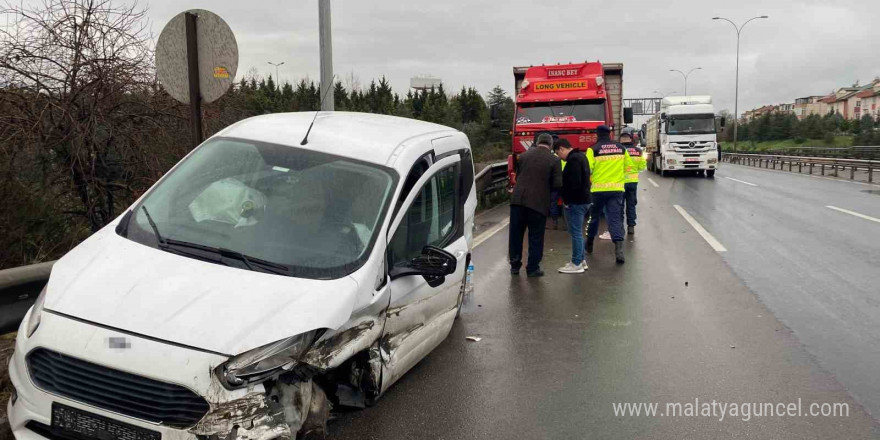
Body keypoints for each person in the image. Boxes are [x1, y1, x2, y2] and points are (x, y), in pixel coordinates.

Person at [509, 133, 562, 277]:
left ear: (537, 142)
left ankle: (514, 266)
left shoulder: (524, 156)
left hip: (517, 201)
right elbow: (557, 184)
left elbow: (519, 177)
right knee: (536, 236)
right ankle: (532, 268)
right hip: (538, 203)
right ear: (550, 145)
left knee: (516, 235)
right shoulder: (554, 160)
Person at [585, 126, 634, 264]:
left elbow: (588, 169)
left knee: (593, 218)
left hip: (598, 191)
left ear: (597, 135)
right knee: (615, 219)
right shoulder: (621, 148)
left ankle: (589, 243)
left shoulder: (592, 149)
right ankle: (619, 251)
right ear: (610, 134)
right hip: (617, 190)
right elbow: (629, 167)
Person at [553, 138, 591, 274]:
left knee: (575, 233)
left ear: (562, 149)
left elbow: (574, 183)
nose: (559, 157)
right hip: (584, 199)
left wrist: (567, 200)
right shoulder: (582, 156)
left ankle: (576, 263)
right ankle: (581, 260)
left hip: (576, 202)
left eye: (558, 153)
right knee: (578, 232)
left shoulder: (573, 161)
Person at [620, 132, 646, 235]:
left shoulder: (619, 150)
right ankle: (631, 227)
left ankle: (620, 226)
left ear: (621, 140)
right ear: (631, 139)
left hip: (620, 182)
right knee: (631, 204)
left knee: (619, 205)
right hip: (633, 182)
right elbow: (642, 167)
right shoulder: (638, 151)